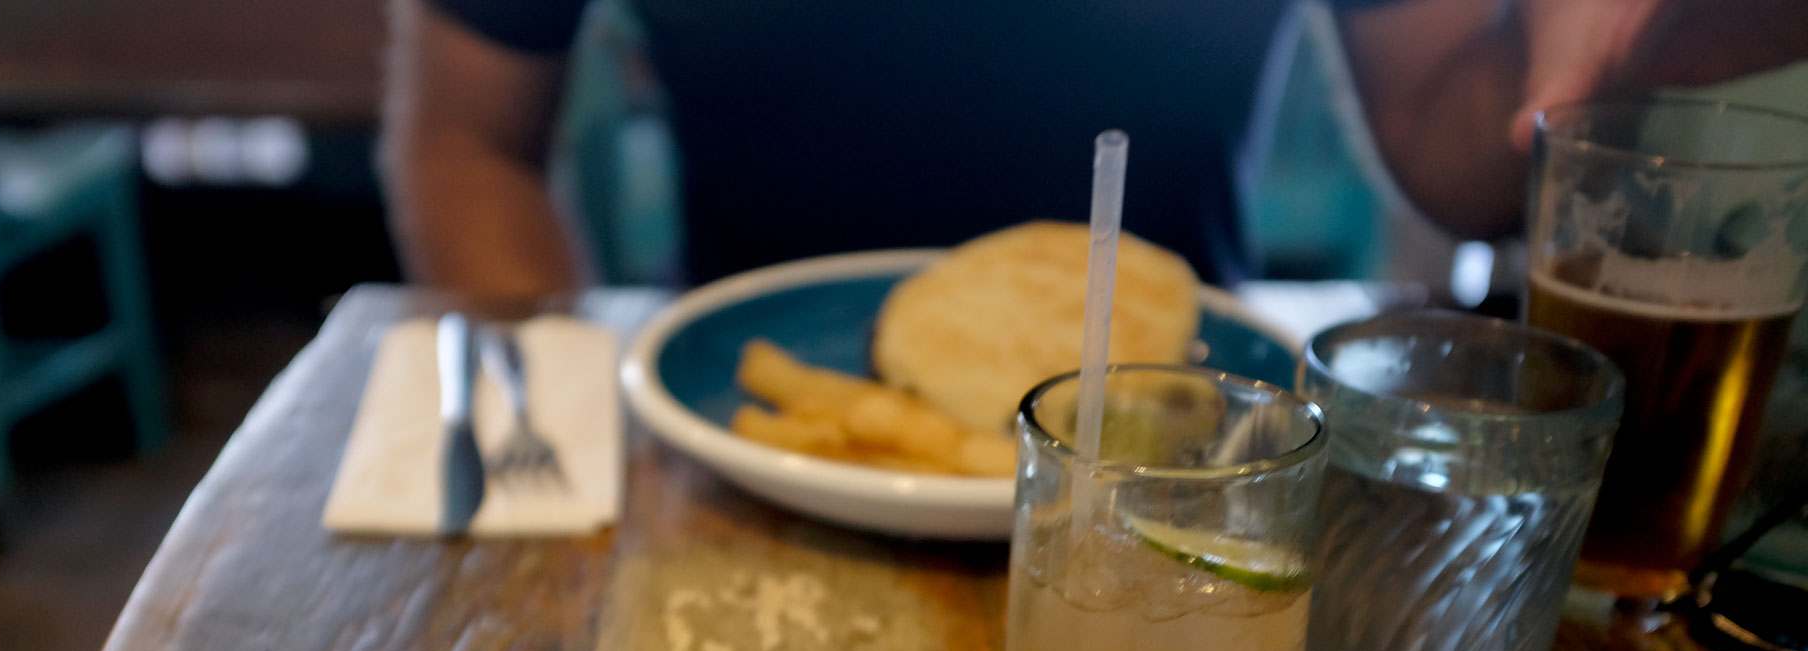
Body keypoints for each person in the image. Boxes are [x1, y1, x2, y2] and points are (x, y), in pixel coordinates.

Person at [380, 0, 1808, 309]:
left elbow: (1458, 161)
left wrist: (1655, 42)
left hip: (1176, 458)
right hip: (746, 440)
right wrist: (540, 389)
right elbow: (463, 140)